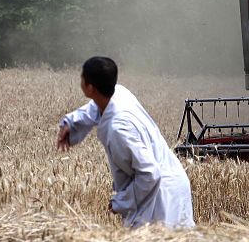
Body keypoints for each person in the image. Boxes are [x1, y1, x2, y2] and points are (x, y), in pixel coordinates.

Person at [55, 57, 195, 229]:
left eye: (82, 77)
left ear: (90, 87)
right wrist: (72, 122)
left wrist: (120, 202)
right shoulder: (119, 93)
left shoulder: (118, 130)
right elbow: (95, 108)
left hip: (162, 197)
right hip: (170, 182)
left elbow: (150, 173)